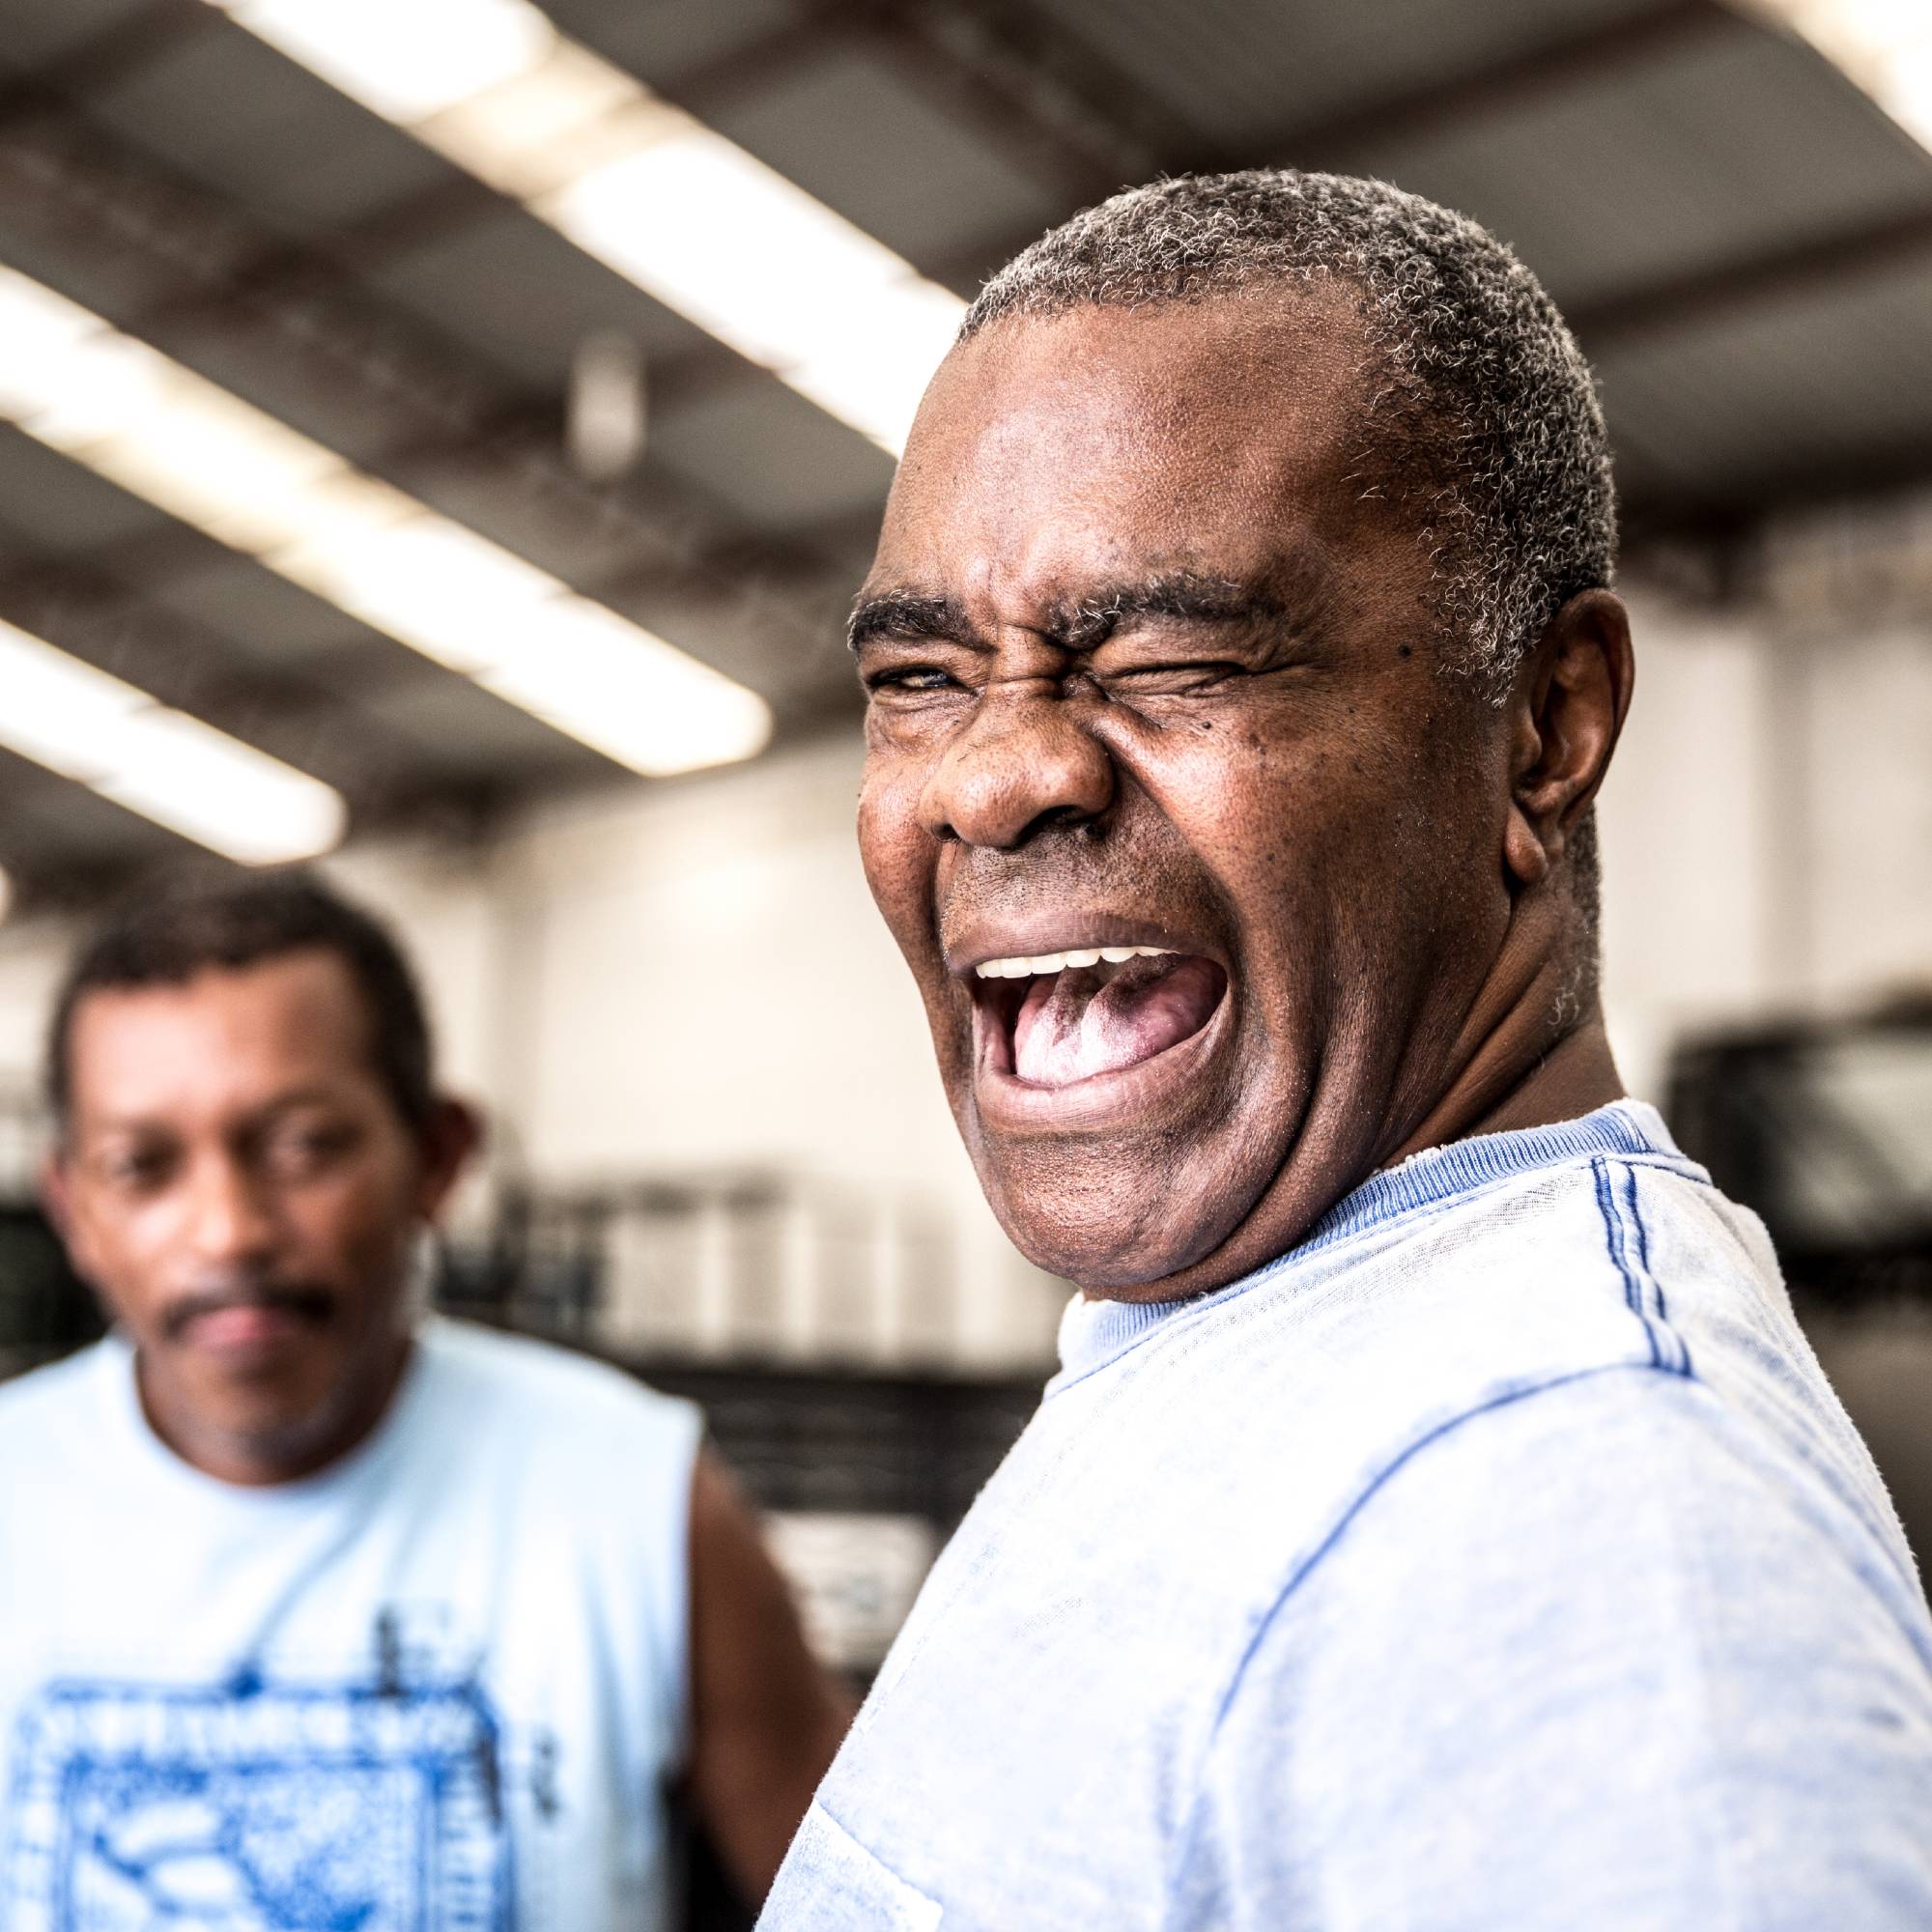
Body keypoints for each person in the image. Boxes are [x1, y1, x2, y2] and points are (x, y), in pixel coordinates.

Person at [757, 170, 1932, 1927]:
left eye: (1174, 653)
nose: (997, 778)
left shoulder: (1588, 1530)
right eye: (921, 679)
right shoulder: (1282, 1350)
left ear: (1547, 725)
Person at [0, 869, 850, 1929]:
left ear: (436, 1157)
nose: (226, 1231)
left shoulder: (636, 1504)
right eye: (143, 1164)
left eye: (303, 1143)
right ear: (75, 1209)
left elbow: (859, 1902)